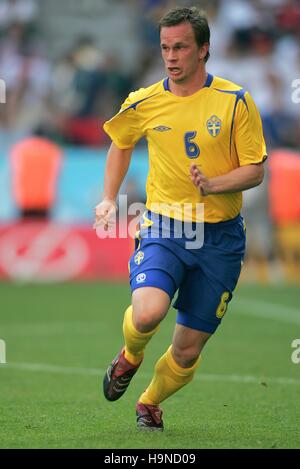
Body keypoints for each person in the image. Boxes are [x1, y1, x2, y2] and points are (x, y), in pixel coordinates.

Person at [94, 6, 267, 431]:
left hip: (222, 238)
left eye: (181, 47)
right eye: (165, 48)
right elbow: (120, 142)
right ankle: (130, 354)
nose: (171, 57)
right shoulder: (144, 101)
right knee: (148, 313)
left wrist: (214, 183)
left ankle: (150, 401)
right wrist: (107, 198)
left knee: (187, 350)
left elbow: (256, 170)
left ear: (203, 49)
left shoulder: (235, 101)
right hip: (166, 224)